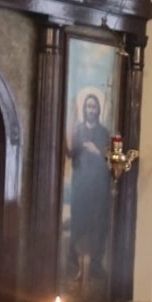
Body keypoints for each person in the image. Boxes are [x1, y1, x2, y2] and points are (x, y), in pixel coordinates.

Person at [67, 93, 112, 285]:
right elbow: (70, 152)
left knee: (97, 228)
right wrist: (70, 116)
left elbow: (111, 161)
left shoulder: (104, 133)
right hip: (81, 188)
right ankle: (78, 269)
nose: (91, 110)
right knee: (79, 227)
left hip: (99, 189)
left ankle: (94, 266)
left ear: (98, 110)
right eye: (88, 107)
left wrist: (97, 152)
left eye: (94, 107)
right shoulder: (77, 131)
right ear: (84, 109)